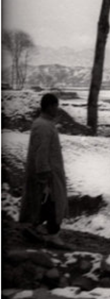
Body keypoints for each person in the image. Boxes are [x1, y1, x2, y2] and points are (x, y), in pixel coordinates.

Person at [19, 93, 69, 248]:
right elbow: (42, 151)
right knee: (53, 202)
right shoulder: (44, 126)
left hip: (49, 171)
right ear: (49, 106)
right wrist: (44, 174)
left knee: (44, 201)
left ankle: (34, 226)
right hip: (49, 173)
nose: (57, 109)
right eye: (55, 106)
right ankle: (52, 235)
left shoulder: (43, 124)